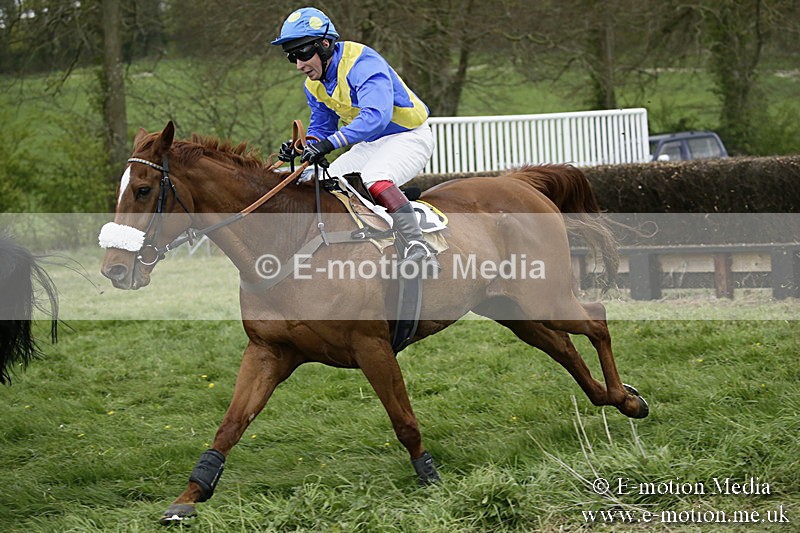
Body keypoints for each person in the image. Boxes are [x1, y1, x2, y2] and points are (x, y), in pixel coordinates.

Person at [272, 7, 436, 266]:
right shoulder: (313, 85)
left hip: (409, 137)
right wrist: (304, 146)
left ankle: (418, 245)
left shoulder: (362, 64)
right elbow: (322, 126)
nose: (299, 65)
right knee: (328, 182)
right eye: (292, 56)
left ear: (325, 45)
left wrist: (329, 143)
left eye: (303, 53)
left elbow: (376, 116)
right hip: (372, 143)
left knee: (375, 176)